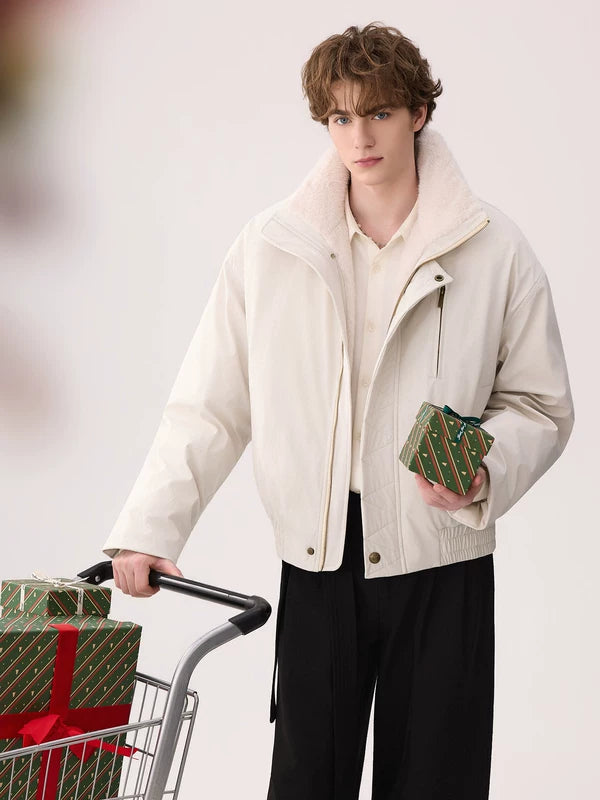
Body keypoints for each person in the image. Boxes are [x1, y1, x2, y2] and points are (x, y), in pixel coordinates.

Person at [102, 21, 575, 800]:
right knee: (306, 783)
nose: (360, 137)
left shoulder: (493, 248)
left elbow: (539, 403)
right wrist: (150, 530)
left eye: (380, 112)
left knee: (438, 783)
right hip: (319, 560)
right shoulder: (272, 247)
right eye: (341, 117)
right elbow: (211, 402)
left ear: (419, 112)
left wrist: (483, 469)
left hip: (443, 559)